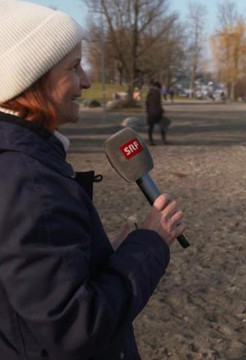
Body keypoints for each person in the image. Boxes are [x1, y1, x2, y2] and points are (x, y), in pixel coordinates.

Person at [0, 1, 186, 358]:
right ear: (31, 79)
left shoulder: (23, 165)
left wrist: (99, 257)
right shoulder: (29, 182)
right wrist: (151, 243)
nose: (86, 80)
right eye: (73, 67)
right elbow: (77, 326)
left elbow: (31, 287)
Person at [145, 80, 165, 145]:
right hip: (157, 112)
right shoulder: (157, 93)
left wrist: (148, 111)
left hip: (150, 112)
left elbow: (147, 103)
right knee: (163, 125)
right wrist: (161, 110)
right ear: (158, 87)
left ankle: (150, 140)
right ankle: (163, 140)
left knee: (151, 127)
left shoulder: (149, 93)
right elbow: (158, 104)